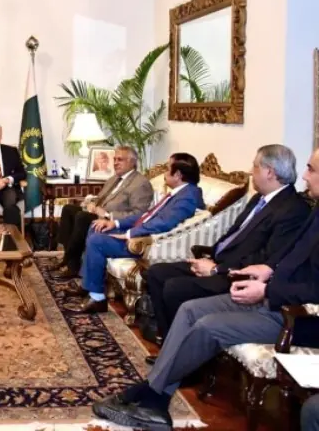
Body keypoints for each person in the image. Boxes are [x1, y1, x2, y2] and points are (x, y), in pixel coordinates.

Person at [92, 148, 319, 431]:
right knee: (189, 309)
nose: (304, 176)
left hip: (293, 316)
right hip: (268, 290)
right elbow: (290, 259)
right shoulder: (314, 210)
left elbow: (313, 287)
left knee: (208, 325)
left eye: (311, 169)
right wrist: (268, 271)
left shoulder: (296, 209)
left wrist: (266, 290)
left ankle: (152, 396)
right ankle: (155, 396)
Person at [145, 145, 310, 347]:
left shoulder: (293, 210)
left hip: (235, 275)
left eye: (255, 166)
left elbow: (267, 259)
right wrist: (211, 256)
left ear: (269, 172)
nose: (250, 171)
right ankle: (169, 343)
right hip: (218, 263)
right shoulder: (259, 199)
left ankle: (183, 349)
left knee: (174, 288)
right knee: (156, 273)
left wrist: (217, 269)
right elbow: (233, 234)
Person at [66, 153, 205, 314]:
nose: (165, 173)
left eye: (168, 169)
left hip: (147, 243)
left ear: (178, 175)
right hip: (141, 231)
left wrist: (129, 234)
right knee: (97, 226)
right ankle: (89, 285)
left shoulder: (187, 197)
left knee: (97, 241)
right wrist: (115, 223)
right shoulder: (181, 192)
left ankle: (97, 298)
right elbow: (148, 215)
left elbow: (164, 223)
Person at [53, 146, 153, 278]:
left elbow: (139, 214)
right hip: (98, 214)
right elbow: (100, 198)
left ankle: (69, 258)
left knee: (82, 217)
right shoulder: (114, 178)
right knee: (68, 209)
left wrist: (107, 215)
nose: (115, 163)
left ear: (132, 162)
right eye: (115, 159)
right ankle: (72, 263)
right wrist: (91, 203)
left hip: (114, 222)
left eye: (120, 160)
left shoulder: (140, 183)